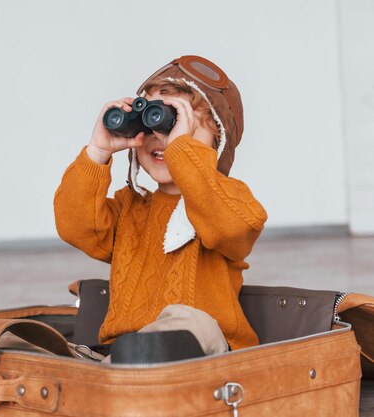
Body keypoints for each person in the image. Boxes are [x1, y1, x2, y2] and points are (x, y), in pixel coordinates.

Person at [54, 55, 268, 352]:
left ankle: (140, 358)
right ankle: (126, 366)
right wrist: (98, 151)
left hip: (205, 354)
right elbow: (74, 226)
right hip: (124, 352)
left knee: (189, 320)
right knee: (10, 341)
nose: (164, 140)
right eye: (152, 122)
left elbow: (231, 229)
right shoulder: (130, 207)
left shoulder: (228, 199)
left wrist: (182, 152)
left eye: (183, 128)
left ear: (217, 145)